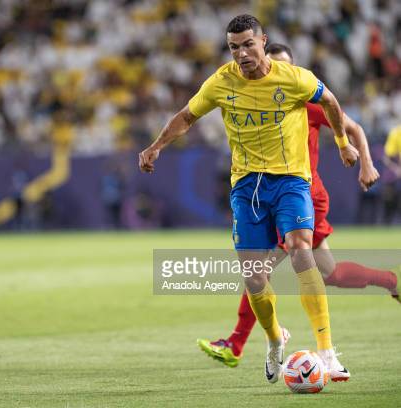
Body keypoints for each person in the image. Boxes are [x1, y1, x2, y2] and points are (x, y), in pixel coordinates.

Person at [139, 15, 358, 383]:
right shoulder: (221, 82)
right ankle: (274, 341)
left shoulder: (295, 78)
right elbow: (186, 117)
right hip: (247, 187)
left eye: (247, 45)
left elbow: (332, 103)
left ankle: (327, 352)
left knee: (301, 250)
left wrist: (342, 142)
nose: (241, 53)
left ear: (263, 41)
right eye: (233, 47)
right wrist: (156, 146)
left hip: (291, 180)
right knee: (255, 277)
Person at [196, 43, 400, 369]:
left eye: (284, 65)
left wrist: (363, 162)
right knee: (329, 272)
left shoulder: (307, 104)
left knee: (259, 270)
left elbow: (353, 128)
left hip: (302, 197)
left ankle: (239, 343)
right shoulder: (256, 101)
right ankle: (388, 280)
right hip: (278, 195)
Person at [382, 124, 401, 223]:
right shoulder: (396, 133)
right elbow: (386, 158)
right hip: (393, 175)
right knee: (389, 198)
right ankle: (386, 222)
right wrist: (396, 169)